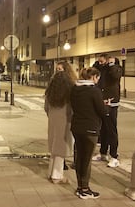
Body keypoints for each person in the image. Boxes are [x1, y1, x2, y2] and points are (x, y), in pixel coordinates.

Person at [70, 67, 107, 199]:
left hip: (76, 127)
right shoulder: (94, 91)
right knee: (86, 160)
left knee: (79, 158)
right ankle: (85, 189)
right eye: (97, 78)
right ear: (93, 77)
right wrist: (105, 106)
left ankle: (80, 186)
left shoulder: (74, 89)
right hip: (90, 128)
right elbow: (101, 111)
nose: (97, 81)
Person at [44, 63, 77, 184]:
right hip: (65, 118)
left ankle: (51, 172)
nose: (58, 71)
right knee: (61, 147)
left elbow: (46, 106)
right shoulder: (70, 87)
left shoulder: (51, 88)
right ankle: (57, 175)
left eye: (59, 69)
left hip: (53, 118)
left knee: (54, 146)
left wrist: (50, 114)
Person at [92, 55, 123, 168]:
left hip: (112, 103)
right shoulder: (101, 69)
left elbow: (115, 75)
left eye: (104, 61)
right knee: (103, 129)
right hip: (102, 101)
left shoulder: (116, 69)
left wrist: (112, 65)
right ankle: (103, 152)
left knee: (111, 130)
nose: (102, 63)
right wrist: (98, 64)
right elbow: (93, 73)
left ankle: (114, 156)